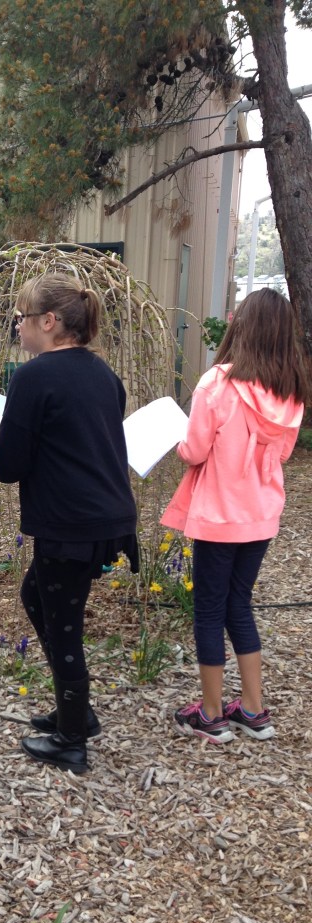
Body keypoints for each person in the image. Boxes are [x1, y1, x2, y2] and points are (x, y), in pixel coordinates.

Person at [0, 273, 138, 773]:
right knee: (36, 598)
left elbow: (11, 466)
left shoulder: (33, 377)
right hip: (108, 518)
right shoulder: (104, 374)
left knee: (63, 628)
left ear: (48, 322)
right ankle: (76, 712)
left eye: (22, 318)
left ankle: (73, 739)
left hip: (69, 526)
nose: (18, 326)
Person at [162, 288, 307, 743]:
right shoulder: (290, 391)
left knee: (208, 609)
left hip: (219, 515)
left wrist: (177, 438)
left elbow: (194, 451)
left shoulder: (217, 383)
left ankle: (211, 714)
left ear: (241, 326)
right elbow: (282, 453)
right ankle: (253, 709)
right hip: (261, 514)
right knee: (238, 604)